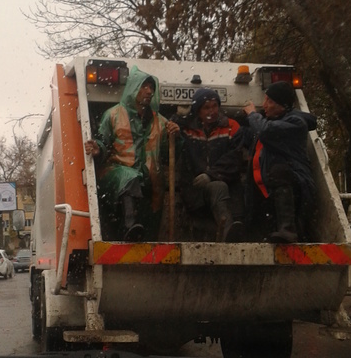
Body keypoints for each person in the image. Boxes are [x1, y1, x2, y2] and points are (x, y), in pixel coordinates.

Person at [84, 66, 179, 241]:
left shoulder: (162, 122)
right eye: (144, 86)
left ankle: (141, 235)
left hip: (150, 184)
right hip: (117, 174)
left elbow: (170, 154)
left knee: (150, 230)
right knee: (129, 177)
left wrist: (176, 136)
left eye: (152, 87)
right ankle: (129, 224)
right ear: (134, 87)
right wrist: (98, 148)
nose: (149, 91)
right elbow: (103, 141)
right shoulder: (113, 115)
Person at [242, 80, 317, 243]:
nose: (265, 105)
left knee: (279, 171)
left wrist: (252, 114)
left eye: (269, 101)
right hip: (271, 192)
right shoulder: (273, 122)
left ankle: (289, 229)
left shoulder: (296, 123)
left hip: (296, 186)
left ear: (282, 105)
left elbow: (265, 131)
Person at [176, 87, 247, 242]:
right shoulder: (188, 130)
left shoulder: (231, 127)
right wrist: (181, 117)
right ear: (198, 111)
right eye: (206, 107)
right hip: (195, 192)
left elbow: (234, 158)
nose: (212, 111)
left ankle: (229, 231)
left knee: (218, 186)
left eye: (215, 106)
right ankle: (229, 232)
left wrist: (211, 175)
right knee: (217, 187)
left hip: (228, 189)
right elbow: (172, 133)